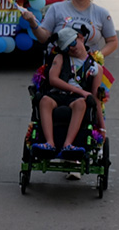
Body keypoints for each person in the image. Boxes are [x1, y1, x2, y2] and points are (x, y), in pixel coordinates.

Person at [32, 25, 103, 155]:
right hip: (57, 94)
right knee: (45, 101)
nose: (72, 48)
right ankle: (49, 142)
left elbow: (95, 95)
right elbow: (53, 79)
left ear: (80, 38)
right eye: (67, 47)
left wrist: (101, 126)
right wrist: (80, 91)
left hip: (76, 99)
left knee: (81, 104)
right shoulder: (60, 58)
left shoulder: (96, 68)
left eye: (73, 43)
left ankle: (68, 144)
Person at [25, 0, 119, 61]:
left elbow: (112, 41)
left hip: (87, 68)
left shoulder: (101, 13)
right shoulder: (56, 8)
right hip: (58, 65)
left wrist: (97, 57)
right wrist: (33, 23)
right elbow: (44, 38)